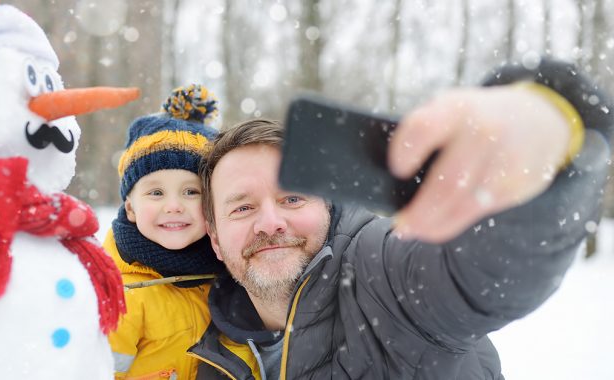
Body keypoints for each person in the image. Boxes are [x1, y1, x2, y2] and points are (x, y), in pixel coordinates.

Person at [188, 58, 613, 379]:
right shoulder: (208, 355)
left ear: (328, 205)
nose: (270, 222)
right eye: (242, 208)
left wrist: (552, 130)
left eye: (293, 198)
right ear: (216, 238)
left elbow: (489, 271)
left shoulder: (385, 278)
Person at [104, 84, 225, 380]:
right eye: (156, 192)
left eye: (191, 192)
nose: (174, 206)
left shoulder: (231, 275)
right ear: (130, 208)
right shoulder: (120, 295)